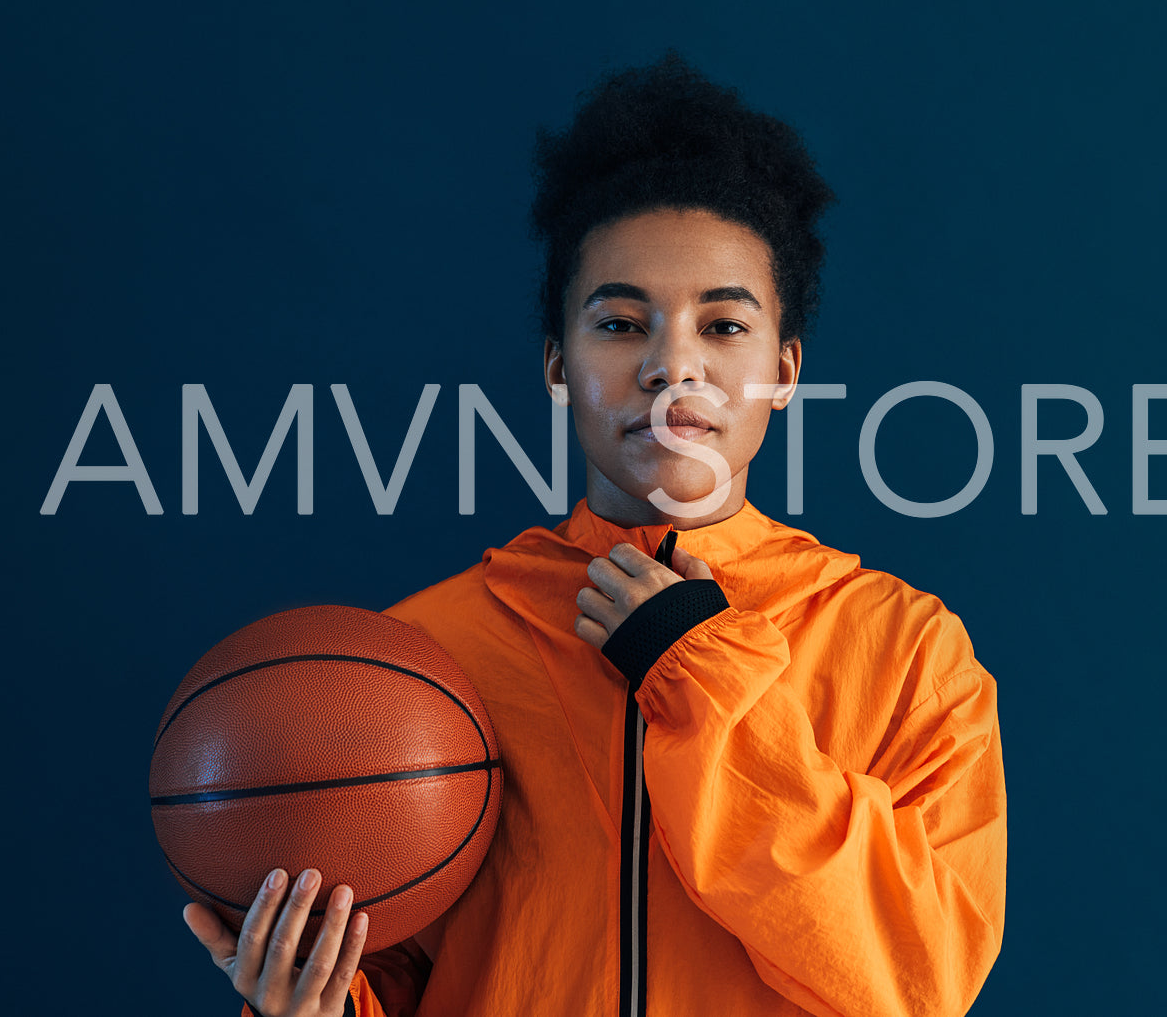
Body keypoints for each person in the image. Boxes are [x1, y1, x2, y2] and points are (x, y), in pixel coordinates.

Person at [184, 52, 1007, 1017]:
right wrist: (313, 1005)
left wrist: (702, 680)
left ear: (785, 371)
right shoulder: (422, 660)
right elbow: (395, 982)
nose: (671, 366)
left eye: (724, 327)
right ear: (557, 364)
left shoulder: (908, 650)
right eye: (620, 324)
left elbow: (919, 982)